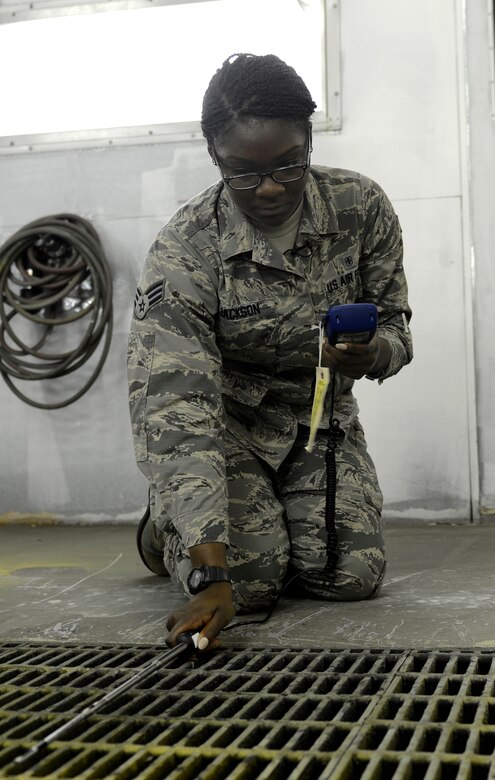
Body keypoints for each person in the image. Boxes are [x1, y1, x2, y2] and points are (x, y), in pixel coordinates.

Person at [128, 53, 413, 652]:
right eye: (243, 173)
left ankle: (257, 517)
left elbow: (397, 328)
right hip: (227, 428)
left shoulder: (360, 209)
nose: (271, 188)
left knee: (349, 577)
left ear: (310, 139)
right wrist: (210, 573)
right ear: (215, 159)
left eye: (289, 165)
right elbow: (178, 411)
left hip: (318, 425)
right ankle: (167, 525)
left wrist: (374, 354)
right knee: (249, 588)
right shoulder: (186, 250)